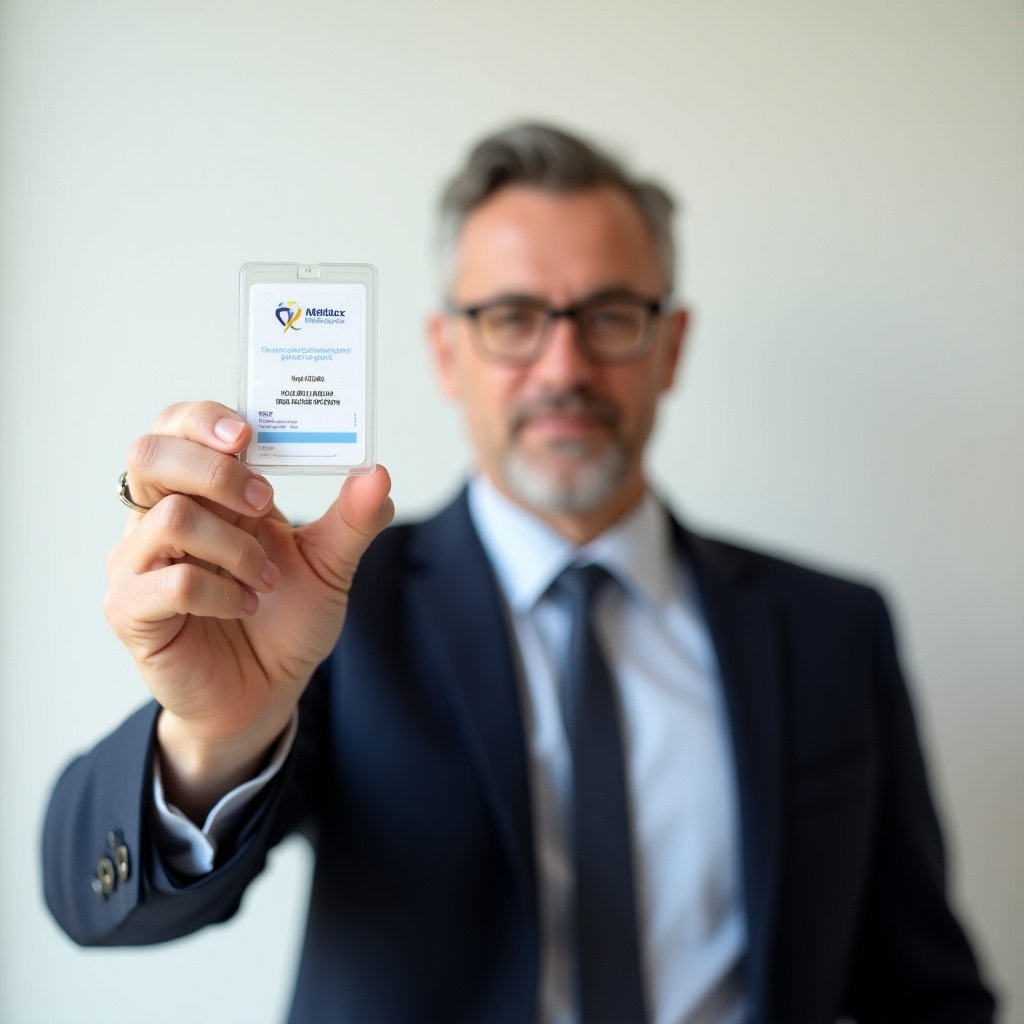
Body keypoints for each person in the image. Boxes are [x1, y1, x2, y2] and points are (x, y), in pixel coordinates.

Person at [43, 123, 997, 1024]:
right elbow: (94, 903)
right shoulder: (329, 603)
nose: (563, 365)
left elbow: (924, 988)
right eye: (511, 317)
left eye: (611, 315)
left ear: (671, 346)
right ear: (446, 353)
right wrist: (213, 739)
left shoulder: (834, 629)